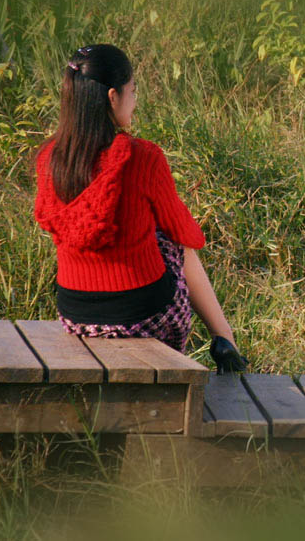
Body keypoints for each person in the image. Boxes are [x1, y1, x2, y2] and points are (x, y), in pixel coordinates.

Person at [34, 44, 248, 372]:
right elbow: (186, 234)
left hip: (76, 315)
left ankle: (225, 342)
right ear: (112, 97)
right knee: (176, 244)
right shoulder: (142, 157)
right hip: (145, 317)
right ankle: (226, 341)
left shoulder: (50, 158)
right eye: (132, 91)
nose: (134, 101)